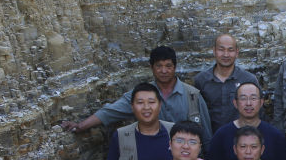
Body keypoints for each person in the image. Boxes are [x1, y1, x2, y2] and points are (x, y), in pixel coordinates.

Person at [61, 46, 212, 149]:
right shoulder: (141, 95)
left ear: (175, 67)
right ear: (152, 67)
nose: (164, 71)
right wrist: (81, 126)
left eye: (168, 66)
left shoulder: (193, 95)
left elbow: (206, 135)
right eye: (159, 66)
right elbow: (110, 111)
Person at [209, 82, 286, 160]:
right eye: (243, 98)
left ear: (261, 102)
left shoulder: (275, 136)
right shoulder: (221, 135)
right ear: (235, 103)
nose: (248, 103)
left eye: (253, 98)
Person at [193, 34, 260, 130]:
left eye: (230, 50)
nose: (226, 54)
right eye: (221, 49)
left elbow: (258, 114)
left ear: (237, 52)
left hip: (242, 136)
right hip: (211, 137)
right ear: (214, 51)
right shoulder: (201, 80)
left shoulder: (248, 80)